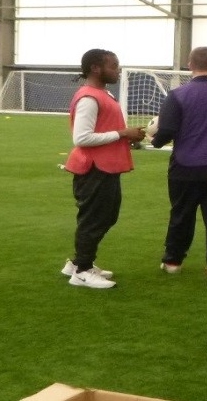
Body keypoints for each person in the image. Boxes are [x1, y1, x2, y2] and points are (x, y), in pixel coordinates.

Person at [151, 46, 207, 283]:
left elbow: (168, 129)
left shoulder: (178, 95)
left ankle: (173, 261)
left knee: (182, 214)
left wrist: (154, 140)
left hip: (185, 166)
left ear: (189, 65)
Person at [59, 48, 147, 289]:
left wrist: (126, 137)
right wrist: (122, 133)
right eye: (113, 65)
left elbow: (101, 131)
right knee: (94, 220)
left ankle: (77, 263)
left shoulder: (101, 94)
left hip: (105, 167)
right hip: (94, 169)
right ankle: (83, 271)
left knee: (104, 216)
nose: (118, 70)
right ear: (96, 68)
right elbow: (82, 138)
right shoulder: (89, 97)